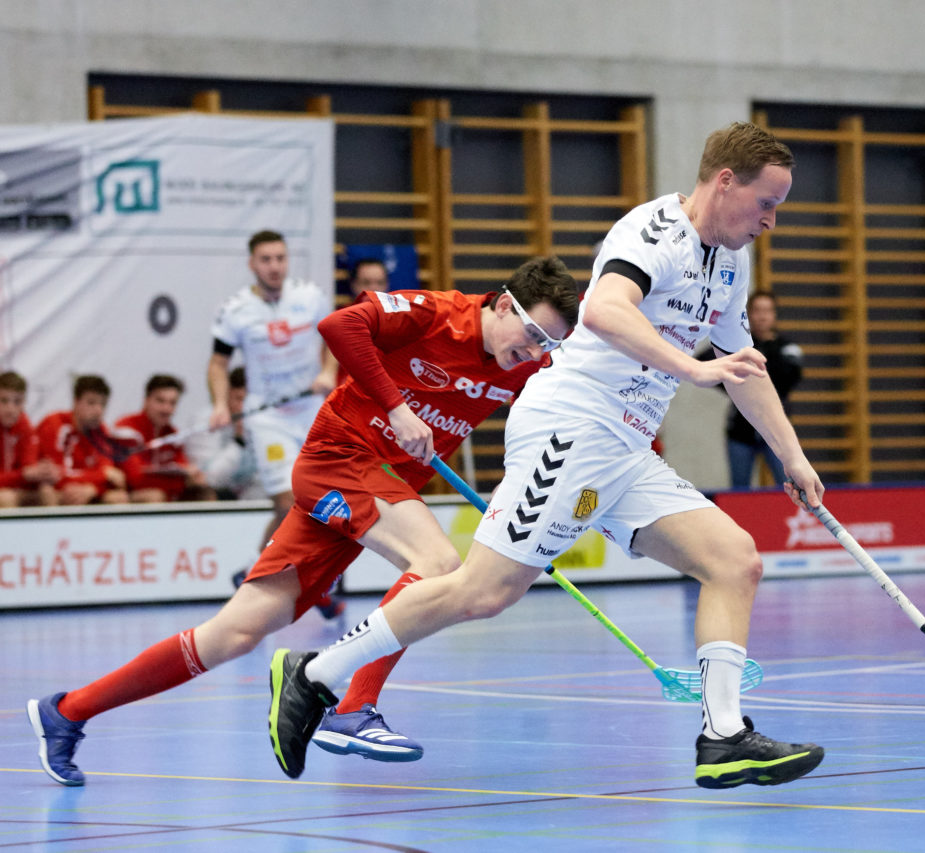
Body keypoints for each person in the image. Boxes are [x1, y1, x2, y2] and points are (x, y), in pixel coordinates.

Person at [263, 122, 827, 790]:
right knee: (484, 590)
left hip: (625, 446)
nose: (770, 219)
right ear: (724, 182)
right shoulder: (653, 234)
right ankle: (315, 673)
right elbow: (606, 312)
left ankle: (724, 736)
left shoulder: (731, 263)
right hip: (572, 426)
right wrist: (692, 369)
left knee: (734, 560)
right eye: (767, 202)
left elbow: (746, 368)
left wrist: (793, 456)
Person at [25, 256, 580, 787]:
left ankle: (67, 711)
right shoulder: (436, 312)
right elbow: (339, 326)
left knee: (234, 634)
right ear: (504, 305)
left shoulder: (527, 367)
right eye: (532, 333)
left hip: (379, 484)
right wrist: (395, 405)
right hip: (341, 457)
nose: (535, 350)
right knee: (437, 563)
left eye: (548, 343)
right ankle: (355, 706)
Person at [208, 229, 337, 553]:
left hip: (310, 411)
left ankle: (281, 576)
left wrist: (327, 371)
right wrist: (220, 405)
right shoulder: (236, 310)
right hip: (267, 416)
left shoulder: (310, 297)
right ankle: (262, 575)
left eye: (280, 258)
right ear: (252, 263)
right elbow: (218, 364)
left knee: (322, 500)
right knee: (288, 503)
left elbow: (336, 337)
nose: (274, 267)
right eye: (266, 260)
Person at [717, 290, 803, 488]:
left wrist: (752, 366)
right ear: (748, 314)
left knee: (788, 484)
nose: (762, 316)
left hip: (776, 429)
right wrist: (735, 386)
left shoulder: (787, 347)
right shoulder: (736, 345)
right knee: (739, 488)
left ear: (774, 314)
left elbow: (788, 378)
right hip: (740, 430)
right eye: (757, 310)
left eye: (767, 311)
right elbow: (705, 363)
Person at [114, 374, 217, 503]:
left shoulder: (173, 434)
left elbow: (183, 468)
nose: (166, 409)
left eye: (172, 403)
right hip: (127, 495)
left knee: (204, 493)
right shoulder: (127, 429)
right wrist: (182, 482)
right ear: (146, 400)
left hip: (165, 494)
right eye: (160, 401)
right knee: (155, 496)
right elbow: (135, 479)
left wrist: (194, 477)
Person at [33, 375, 129, 506]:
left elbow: (113, 477)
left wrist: (92, 489)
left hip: (83, 489)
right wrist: (100, 477)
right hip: (56, 489)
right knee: (48, 492)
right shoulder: (54, 424)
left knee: (118, 497)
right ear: (75, 402)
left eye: (103, 404)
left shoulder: (101, 431)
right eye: (91, 403)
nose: (98, 410)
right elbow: (54, 475)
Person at [186, 367, 267, 501]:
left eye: (248, 401)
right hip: (212, 496)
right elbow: (208, 479)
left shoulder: (259, 422)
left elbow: (263, 476)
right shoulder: (205, 421)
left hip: (247, 498)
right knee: (206, 494)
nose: (244, 407)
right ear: (226, 395)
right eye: (239, 399)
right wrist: (238, 441)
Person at [0, 370, 59, 507]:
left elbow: (29, 468)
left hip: (15, 488)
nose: (10, 408)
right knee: (6, 497)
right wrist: (23, 475)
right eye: (4, 401)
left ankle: (54, 528)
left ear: (24, 402)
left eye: (17, 402)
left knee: (47, 492)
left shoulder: (26, 428)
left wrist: (47, 472)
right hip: (7, 491)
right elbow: (24, 474)